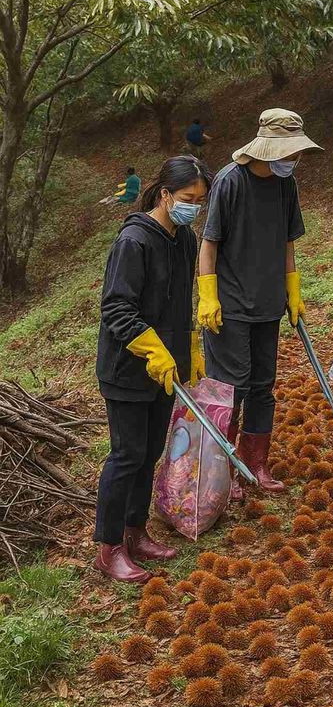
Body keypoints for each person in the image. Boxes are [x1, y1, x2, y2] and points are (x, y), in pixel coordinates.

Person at [94, 155, 211, 583]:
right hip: (127, 369)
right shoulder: (134, 241)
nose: (193, 207)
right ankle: (108, 548)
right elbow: (116, 308)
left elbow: (181, 303)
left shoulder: (184, 239)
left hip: (166, 369)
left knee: (150, 453)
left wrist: (188, 350)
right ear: (164, 194)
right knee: (127, 455)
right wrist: (153, 350)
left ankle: (135, 531)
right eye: (187, 198)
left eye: (199, 200)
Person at [197, 107, 322, 499]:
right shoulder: (230, 181)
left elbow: (287, 241)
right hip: (230, 305)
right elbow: (209, 243)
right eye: (290, 152)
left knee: (262, 386)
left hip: (269, 303)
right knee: (231, 387)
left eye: (296, 153)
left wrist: (293, 289)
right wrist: (208, 296)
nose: (294, 159)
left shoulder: (286, 184)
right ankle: (222, 470)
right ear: (269, 147)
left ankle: (256, 464)